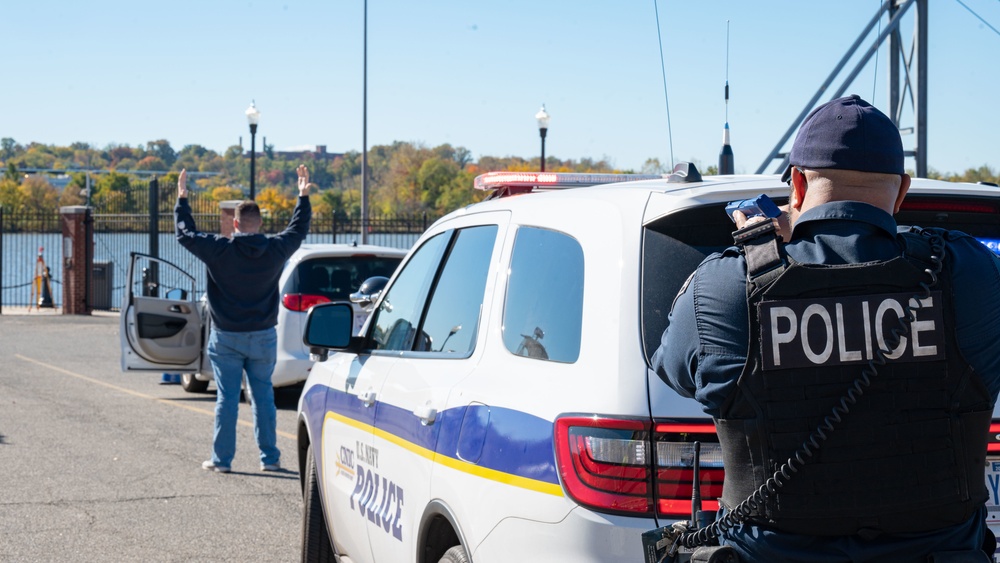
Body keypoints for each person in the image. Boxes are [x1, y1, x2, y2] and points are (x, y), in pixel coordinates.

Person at [652, 95, 1000, 562]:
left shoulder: (726, 285)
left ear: (796, 184)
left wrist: (762, 251)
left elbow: (673, 368)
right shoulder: (970, 274)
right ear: (902, 192)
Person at [176, 165, 312, 473]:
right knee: (263, 397)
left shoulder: (219, 250)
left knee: (226, 398)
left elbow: (185, 234)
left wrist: (182, 200)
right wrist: (302, 197)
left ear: (235, 223)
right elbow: (298, 230)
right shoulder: (276, 249)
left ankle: (222, 460)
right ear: (260, 223)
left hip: (226, 336)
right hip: (263, 336)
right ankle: (270, 459)